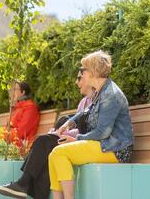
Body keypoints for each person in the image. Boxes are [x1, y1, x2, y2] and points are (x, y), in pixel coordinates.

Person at [0, 72, 94, 199]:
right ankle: (26, 187)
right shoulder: (83, 102)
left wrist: (62, 132)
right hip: (72, 138)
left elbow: (86, 129)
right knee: (47, 148)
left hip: (81, 141)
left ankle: (23, 184)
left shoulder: (97, 100)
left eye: (80, 78)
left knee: (44, 142)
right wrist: (58, 130)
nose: (77, 82)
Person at [49, 50, 134, 199]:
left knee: (59, 153)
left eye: (83, 70)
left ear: (93, 72)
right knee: (53, 156)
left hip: (115, 149)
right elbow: (86, 111)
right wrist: (69, 123)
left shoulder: (110, 95)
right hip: (104, 145)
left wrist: (77, 140)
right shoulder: (100, 91)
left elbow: (102, 132)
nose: (81, 74)